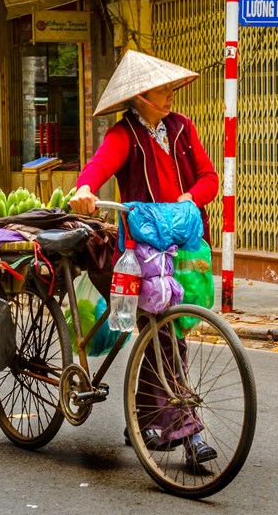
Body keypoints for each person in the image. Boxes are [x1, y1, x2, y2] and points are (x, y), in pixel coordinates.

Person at [68, 50, 219, 466]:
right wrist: (85, 190)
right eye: (162, 89)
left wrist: (189, 197)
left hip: (181, 248)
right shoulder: (123, 135)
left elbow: (209, 177)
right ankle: (186, 434)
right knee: (163, 333)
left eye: (171, 88)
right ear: (141, 96)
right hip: (137, 253)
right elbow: (98, 168)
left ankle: (144, 418)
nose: (171, 95)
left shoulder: (182, 128)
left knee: (173, 330)